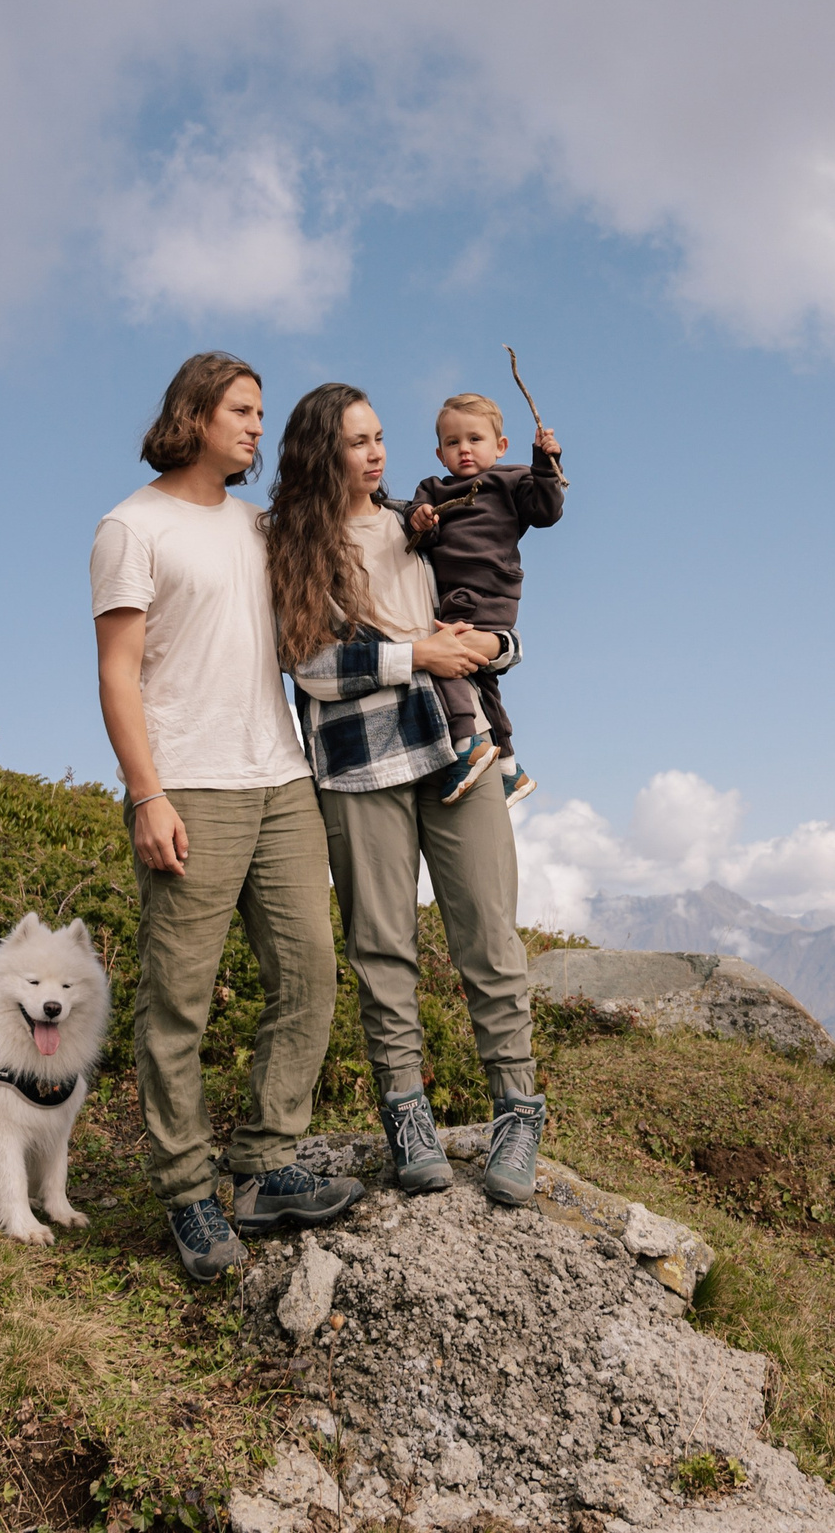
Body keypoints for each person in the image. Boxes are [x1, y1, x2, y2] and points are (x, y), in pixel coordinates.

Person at [90, 351, 363, 1281]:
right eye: (242, 410)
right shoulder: (132, 527)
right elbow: (117, 674)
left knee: (309, 970)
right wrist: (147, 793)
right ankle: (187, 1192)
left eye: (260, 413)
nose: (256, 426)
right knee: (180, 998)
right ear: (195, 414)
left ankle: (265, 1165)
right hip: (190, 787)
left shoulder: (259, 527)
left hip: (281, 777)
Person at [263, 382, 547, 1206]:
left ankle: (518, 1111)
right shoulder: (295, 543)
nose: (376, 452)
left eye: (380, 436)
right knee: (381, 948)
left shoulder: (418, 519)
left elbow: (488, 606)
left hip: (459, 753)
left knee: (489, 934)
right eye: (357, 441)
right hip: (360, 767)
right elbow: (309, 663)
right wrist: (415, 656)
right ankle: (406, 1116)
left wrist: (498, 644)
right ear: (324, 453)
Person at [405, 392, 566, 808]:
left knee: (445, 660)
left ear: (500, 446)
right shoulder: (433, 488)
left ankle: (465, 743)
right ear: (440, 453)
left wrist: (546, 463)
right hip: (462, 595)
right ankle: (510, 767)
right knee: (482, 679)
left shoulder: (511, 481)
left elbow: (547, 511)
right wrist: (420, 518)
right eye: (453, 443)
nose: (465, 450)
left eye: (475, 439)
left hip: (485, 590)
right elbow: (420, 530)